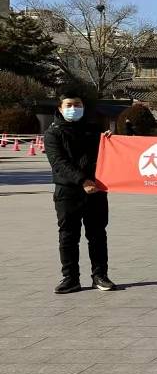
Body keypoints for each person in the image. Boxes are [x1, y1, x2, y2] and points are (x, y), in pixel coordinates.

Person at [43, 95, 119, 294]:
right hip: (67, 191)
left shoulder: (94, 130)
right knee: (68, 235)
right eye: (69, 105)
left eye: (78, 105)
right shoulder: (53, 133)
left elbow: (108, 155)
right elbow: (59, 162)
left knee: (97, 235)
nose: (73, 108)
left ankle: (100, 276)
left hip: (96, 190)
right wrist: (82, 181)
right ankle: (70, 278)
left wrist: (112, 141)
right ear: (60, 108)